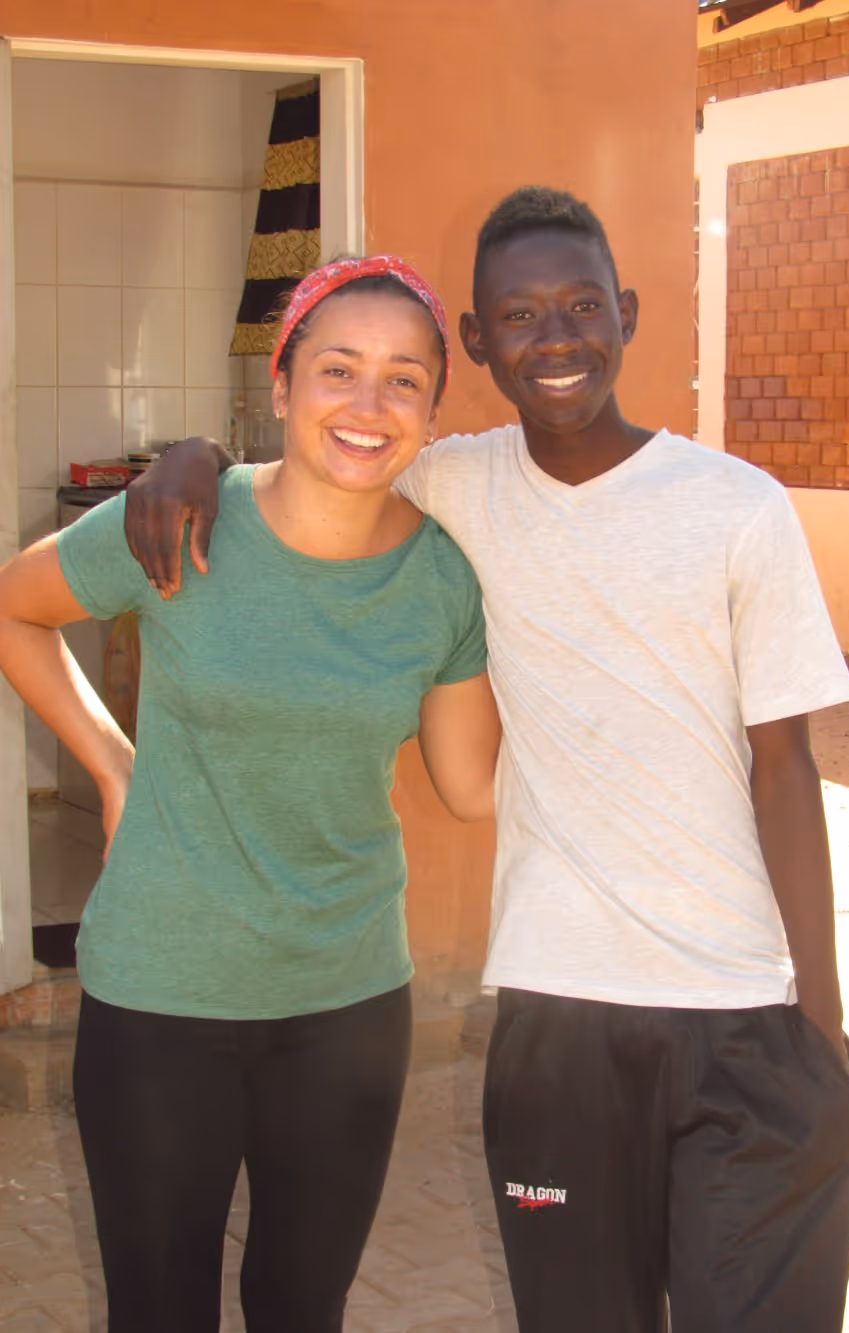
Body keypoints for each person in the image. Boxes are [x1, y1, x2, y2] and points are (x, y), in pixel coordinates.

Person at [124, 188, 849, 1333]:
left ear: (626, 313)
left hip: (742, 1011)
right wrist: (196, 456)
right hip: (556, 1022)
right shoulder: (456, 482)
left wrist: (819, 1023)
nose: (555, 337)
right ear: (476, 342)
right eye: (518, 316)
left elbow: (787, 768)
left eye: (581, 306)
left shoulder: (737, 508)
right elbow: (330, 456)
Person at [0, 255, 500, 1333]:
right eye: (337, 369)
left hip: (347, 1001)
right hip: (160, 995)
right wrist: (112, 763)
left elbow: (471, 787)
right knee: (157, 1311)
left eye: (404, 380)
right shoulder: (182, 518)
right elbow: (14, 607)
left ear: (433, 413)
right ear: (281, 386)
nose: (368, 405)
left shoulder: (444, 579)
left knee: (301, 1307)